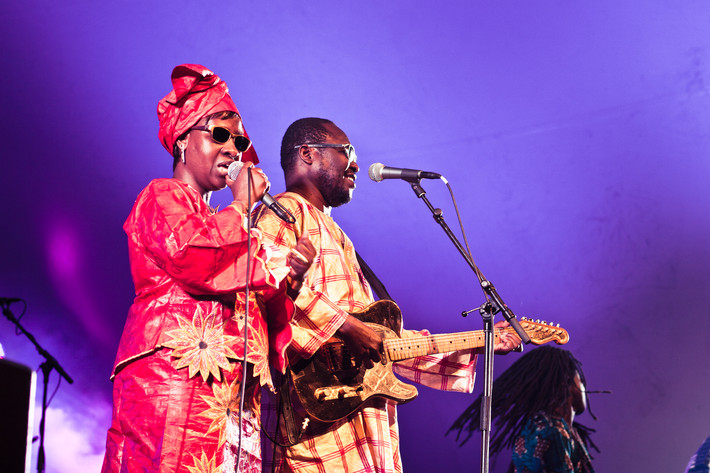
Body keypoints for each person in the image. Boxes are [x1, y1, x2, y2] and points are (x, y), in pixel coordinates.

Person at [255, 117, 521, 472]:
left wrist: (481, 340)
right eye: (346, 151)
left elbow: (384, 343)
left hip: (361, 433)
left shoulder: (336, 235)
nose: (356, 164)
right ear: (308, 154)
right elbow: (268, 288)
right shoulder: (284, 214)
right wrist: (347, 327)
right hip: (315, 431)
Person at [100, 64, 314, 473]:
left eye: (240, 141)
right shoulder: (160, 196)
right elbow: (193, 257)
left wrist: (290, 277)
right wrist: (239, 206)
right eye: (219, 134)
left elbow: (250, 296)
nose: (234, 150)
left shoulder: (232, 228)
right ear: (182, 139)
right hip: (173, 381)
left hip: (233, 395)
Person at [448, 346, 598, 473]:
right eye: (581, 382)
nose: (585, 388)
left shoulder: (553, 428)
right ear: (566, 382)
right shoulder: (551, 429)